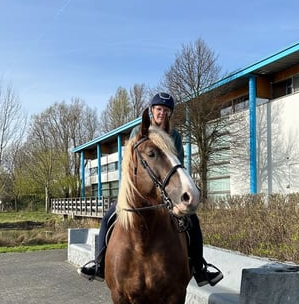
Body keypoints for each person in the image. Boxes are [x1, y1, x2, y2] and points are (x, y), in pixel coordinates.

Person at [78, 92, 223, 287]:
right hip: (137, 191)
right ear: (152, 110)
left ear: (170, 114)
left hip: (164, 192)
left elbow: (176, 163)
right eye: (159, 109)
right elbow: (130, 164)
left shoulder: (175, 136)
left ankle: (199, 268)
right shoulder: (137, 132)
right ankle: (99, 264)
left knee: (193, 222)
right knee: (108, 218)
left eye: (166, 110)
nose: (162, 113)